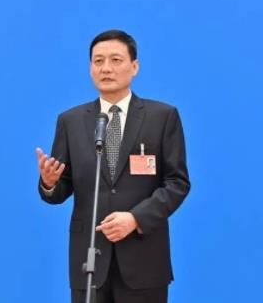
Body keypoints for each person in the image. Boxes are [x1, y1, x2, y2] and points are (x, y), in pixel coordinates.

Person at [36, 30, 190, 303]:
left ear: (135, 66)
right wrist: (49, 183)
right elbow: (62, 188)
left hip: (143, 259)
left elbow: (177, 182)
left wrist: (136, 219)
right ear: (90, 68)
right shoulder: (71, 121)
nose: (106, 68)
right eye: (98, 61)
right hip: (89, 261)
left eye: (116, 60)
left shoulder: (162, 117)